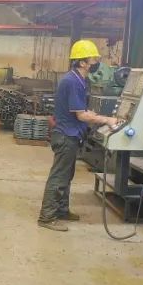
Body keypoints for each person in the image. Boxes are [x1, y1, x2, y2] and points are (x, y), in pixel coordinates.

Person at [37, 40, 119, 232]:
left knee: (67, 175)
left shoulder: (79, 80)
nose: (96, 63)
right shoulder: (72, 81)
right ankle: (46, 217)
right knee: (59, 177)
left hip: (71, 135)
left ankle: (61, 210)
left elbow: (79, 110)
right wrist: (107, 119)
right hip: (66, 136)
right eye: (93, 59)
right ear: (82, 62)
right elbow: (81, 115)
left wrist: (92, 115)